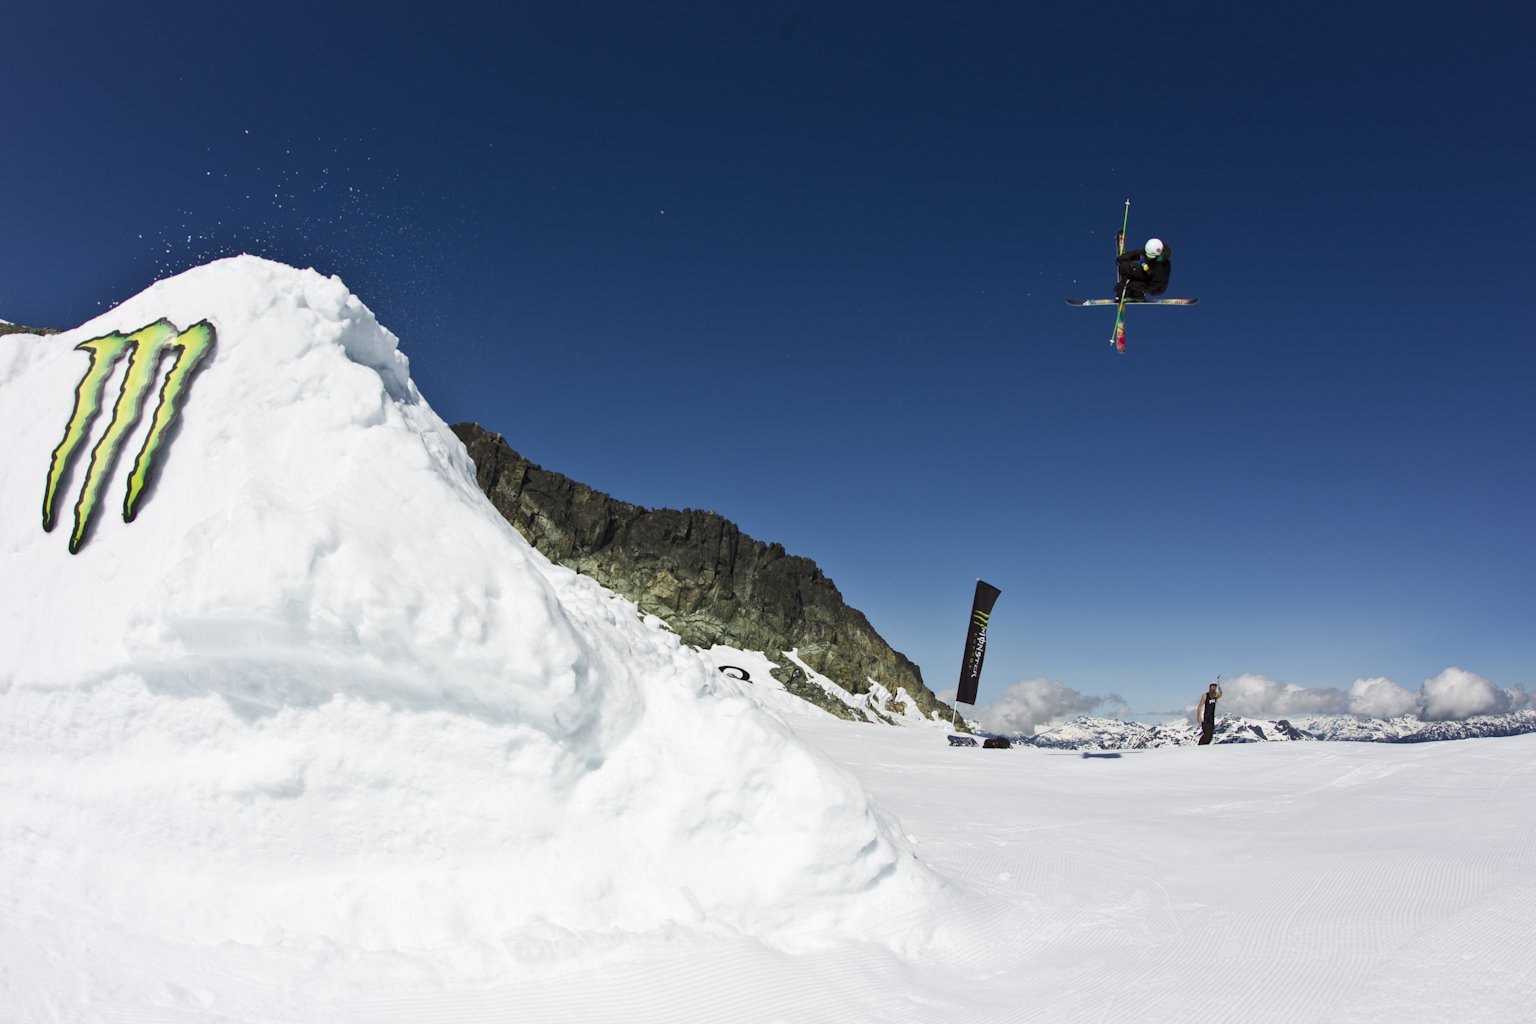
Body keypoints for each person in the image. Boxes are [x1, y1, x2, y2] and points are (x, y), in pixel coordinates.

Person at [1115, 237, 1171, 302]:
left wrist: (1133, 284)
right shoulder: (1149, 251)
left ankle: (1136, 294)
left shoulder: (1162, 267)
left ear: (1158, 255)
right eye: (1147, 253)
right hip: (1147, 273)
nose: (1148, 256)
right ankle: (1133, 292)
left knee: (1133, 270)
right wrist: (1121, 258)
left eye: (1151, 256)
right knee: (1127, 266)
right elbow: (1136, 254)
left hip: (1155, 287)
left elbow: (1153, 284)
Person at [1195, 680, 1222, 745]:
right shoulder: (1205, 695)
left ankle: (1205, 747)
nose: (1213, 688)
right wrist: (1198, 716)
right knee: (1207, 734)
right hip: (1205, 717)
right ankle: (1200, 745)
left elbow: (1220, 695)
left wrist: (1220, 689)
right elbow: (1200, 706)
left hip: (1211, 718)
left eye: (1215, 686)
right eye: (1212, 686)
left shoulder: (1215, 696)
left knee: (1210, 735)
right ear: (1210, 687)